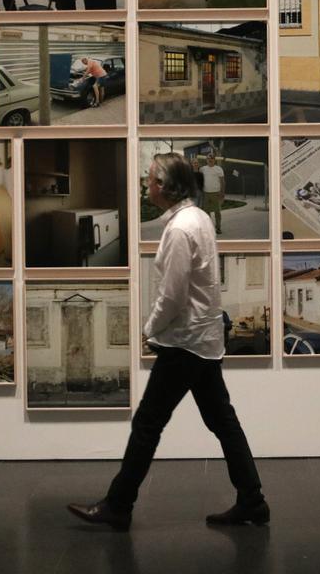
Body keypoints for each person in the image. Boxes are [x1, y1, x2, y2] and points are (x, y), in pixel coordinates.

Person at [67, 153, 267, 530]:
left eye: (150, 180)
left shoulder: (179, 230)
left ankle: (118, 506)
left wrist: (147, 330)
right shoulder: (199, 218)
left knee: (148, 424)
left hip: (185, 344)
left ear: (165, 187)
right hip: (202, 340)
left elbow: (172, 295)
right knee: (223, 422)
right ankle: (253, 501)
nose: (146, 185)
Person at [199, 153, 225, 234]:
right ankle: (209, 228)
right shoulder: (202, 169)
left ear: (214, 160)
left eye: (212, 158)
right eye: (208, 158)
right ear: (206, 160)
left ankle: (218, 228)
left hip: (216, 193)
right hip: (206, 193)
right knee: (207, 212)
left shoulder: (219, 169)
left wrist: (222, 193)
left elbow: (222, 181)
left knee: (217, 212)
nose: (210, 160)